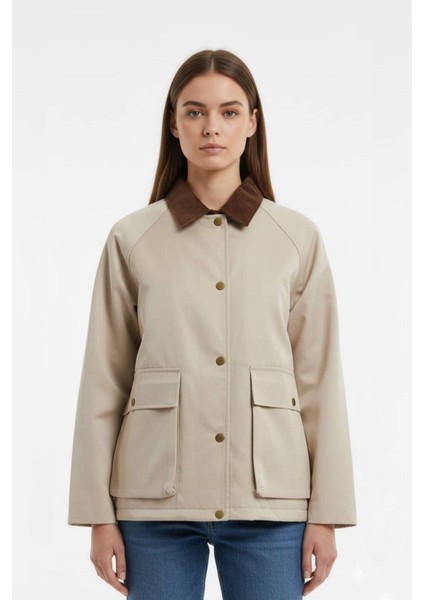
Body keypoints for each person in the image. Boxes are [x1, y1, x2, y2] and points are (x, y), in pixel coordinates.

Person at [67, 48, 357, 600]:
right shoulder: (133, 238)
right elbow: (103, 381)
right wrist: (97, 514)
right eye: (194, 112)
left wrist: (328, 512)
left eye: (229, 111)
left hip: (270, 500)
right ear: (173, 124)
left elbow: (321, 382)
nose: (211, 128)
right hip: (153, 500)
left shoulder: (296, 238)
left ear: (252, 123)